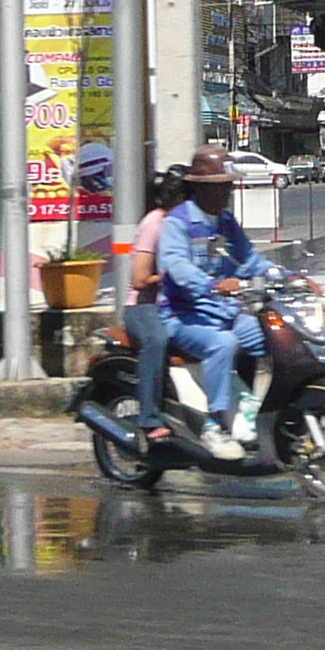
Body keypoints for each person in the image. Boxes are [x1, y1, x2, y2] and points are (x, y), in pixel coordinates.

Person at [157, 148, 275, 461]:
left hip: (224, 313)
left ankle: (251, 410)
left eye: (229, 183)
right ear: (201, 187)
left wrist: (287, 277)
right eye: (222, 184)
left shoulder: (225, 221)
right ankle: (215, 424)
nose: (228, 190)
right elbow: (176, 266)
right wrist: (211, 284)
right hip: (183, 316)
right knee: (223, 343)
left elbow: (250, 260)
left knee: (272, 334)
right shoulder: (177, 222)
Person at [117, 167, 187, 447]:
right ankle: (148, 417)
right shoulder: (154, 223)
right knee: (155, 340)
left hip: (176, 303)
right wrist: (171, 277)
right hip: (143, 306)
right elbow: (139, 279)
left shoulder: (189, 223)